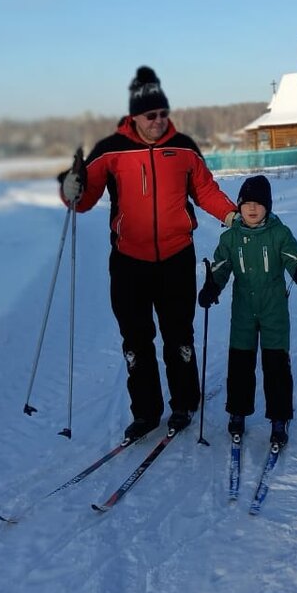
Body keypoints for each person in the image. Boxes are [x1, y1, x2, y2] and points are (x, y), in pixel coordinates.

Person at [58, 66, 237, 442]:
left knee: (178, 336)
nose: (158, 121)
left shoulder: (185, 147)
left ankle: (185, 401)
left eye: (162, 114)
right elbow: (84, 197)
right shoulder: (110, 151)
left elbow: (205, 191)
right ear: (134, 116)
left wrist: (231, 215)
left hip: (176, 257)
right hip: (128, 262)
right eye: (150, 115)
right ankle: (146, 412)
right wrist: (70, 187)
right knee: (136, 341)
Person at [197, 175, 297, 448]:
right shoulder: (230, 238)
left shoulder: (279, 233)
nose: (251, 208)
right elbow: (222, 266)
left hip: (273, 309)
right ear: (238, 207)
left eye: (258, 204)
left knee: (276, 365)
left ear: (268, 207)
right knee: (240, 363)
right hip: (243, 310)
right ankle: (237, 412)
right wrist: (212, 286)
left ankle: (279, 418)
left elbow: (290, 255)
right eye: (246, 203)